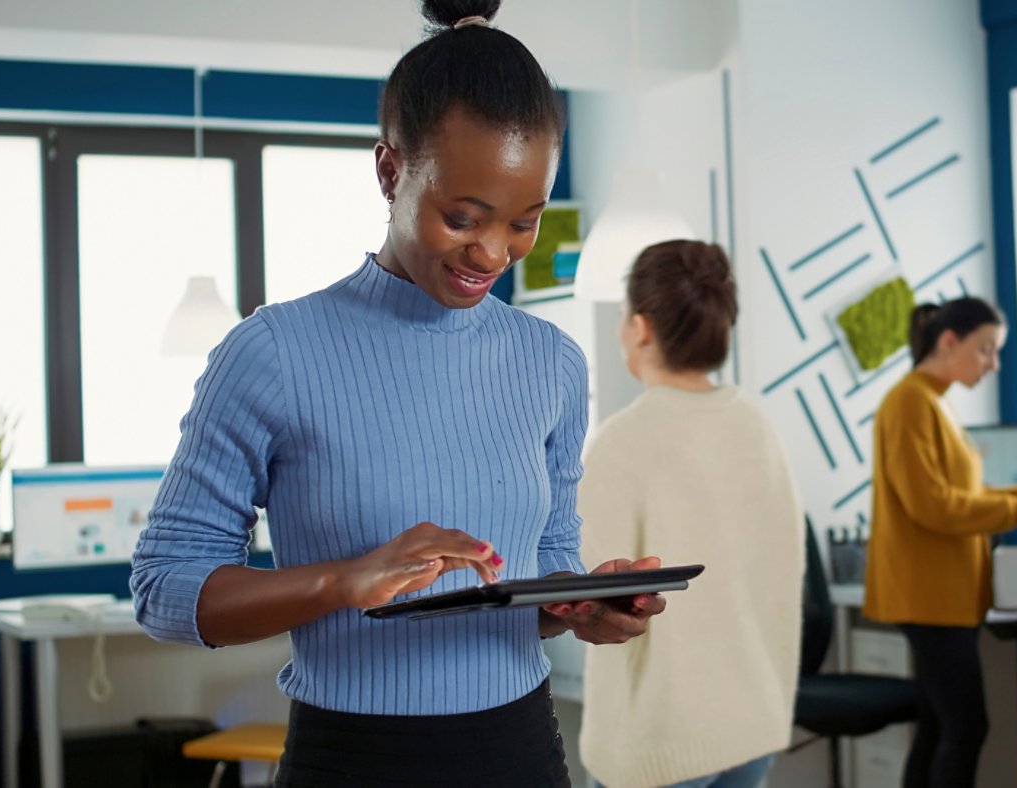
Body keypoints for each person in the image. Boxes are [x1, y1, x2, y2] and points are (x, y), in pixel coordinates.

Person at [130, 3, 664, 785]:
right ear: (389, 170)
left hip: (520, 753)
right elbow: (164, 589)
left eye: (524, 223)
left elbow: (544, 565)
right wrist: (345, 580)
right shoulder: (272, 353)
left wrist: (578, 604)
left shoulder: (549, 360)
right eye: (463, 216)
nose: (493, 253)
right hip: (350, 760)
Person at [574, 240, 805, 788]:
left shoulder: (624, 440)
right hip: (751, 722)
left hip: (659, 738)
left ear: (642, 327)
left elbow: (588, 595)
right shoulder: (756, 427)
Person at [862, 297, 1017, 788]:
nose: (993, 365)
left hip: (947, 598)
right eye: (986, 350)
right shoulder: (910, 401)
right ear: (949, 341)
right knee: (967, 726)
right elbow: (932, 505)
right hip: (930, 599)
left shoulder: (936, 401)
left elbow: (962, 494)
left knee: (940, 727)